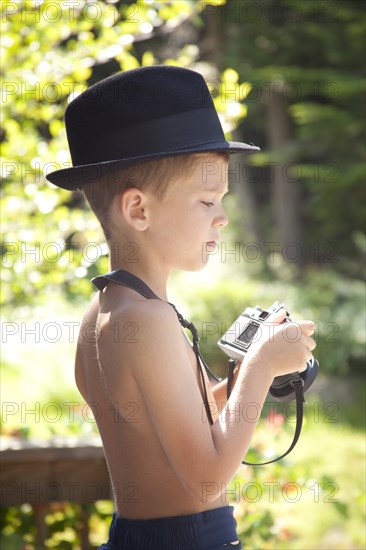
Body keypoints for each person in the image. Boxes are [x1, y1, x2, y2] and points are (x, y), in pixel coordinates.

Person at [47, 65, 316, 550]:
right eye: (207, 201)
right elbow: (207, 479)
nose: (222, 218)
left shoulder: (107, 312)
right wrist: (260, 365)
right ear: (138, 211)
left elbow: (167, 424)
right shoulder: (148, 321)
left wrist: (235, 381)